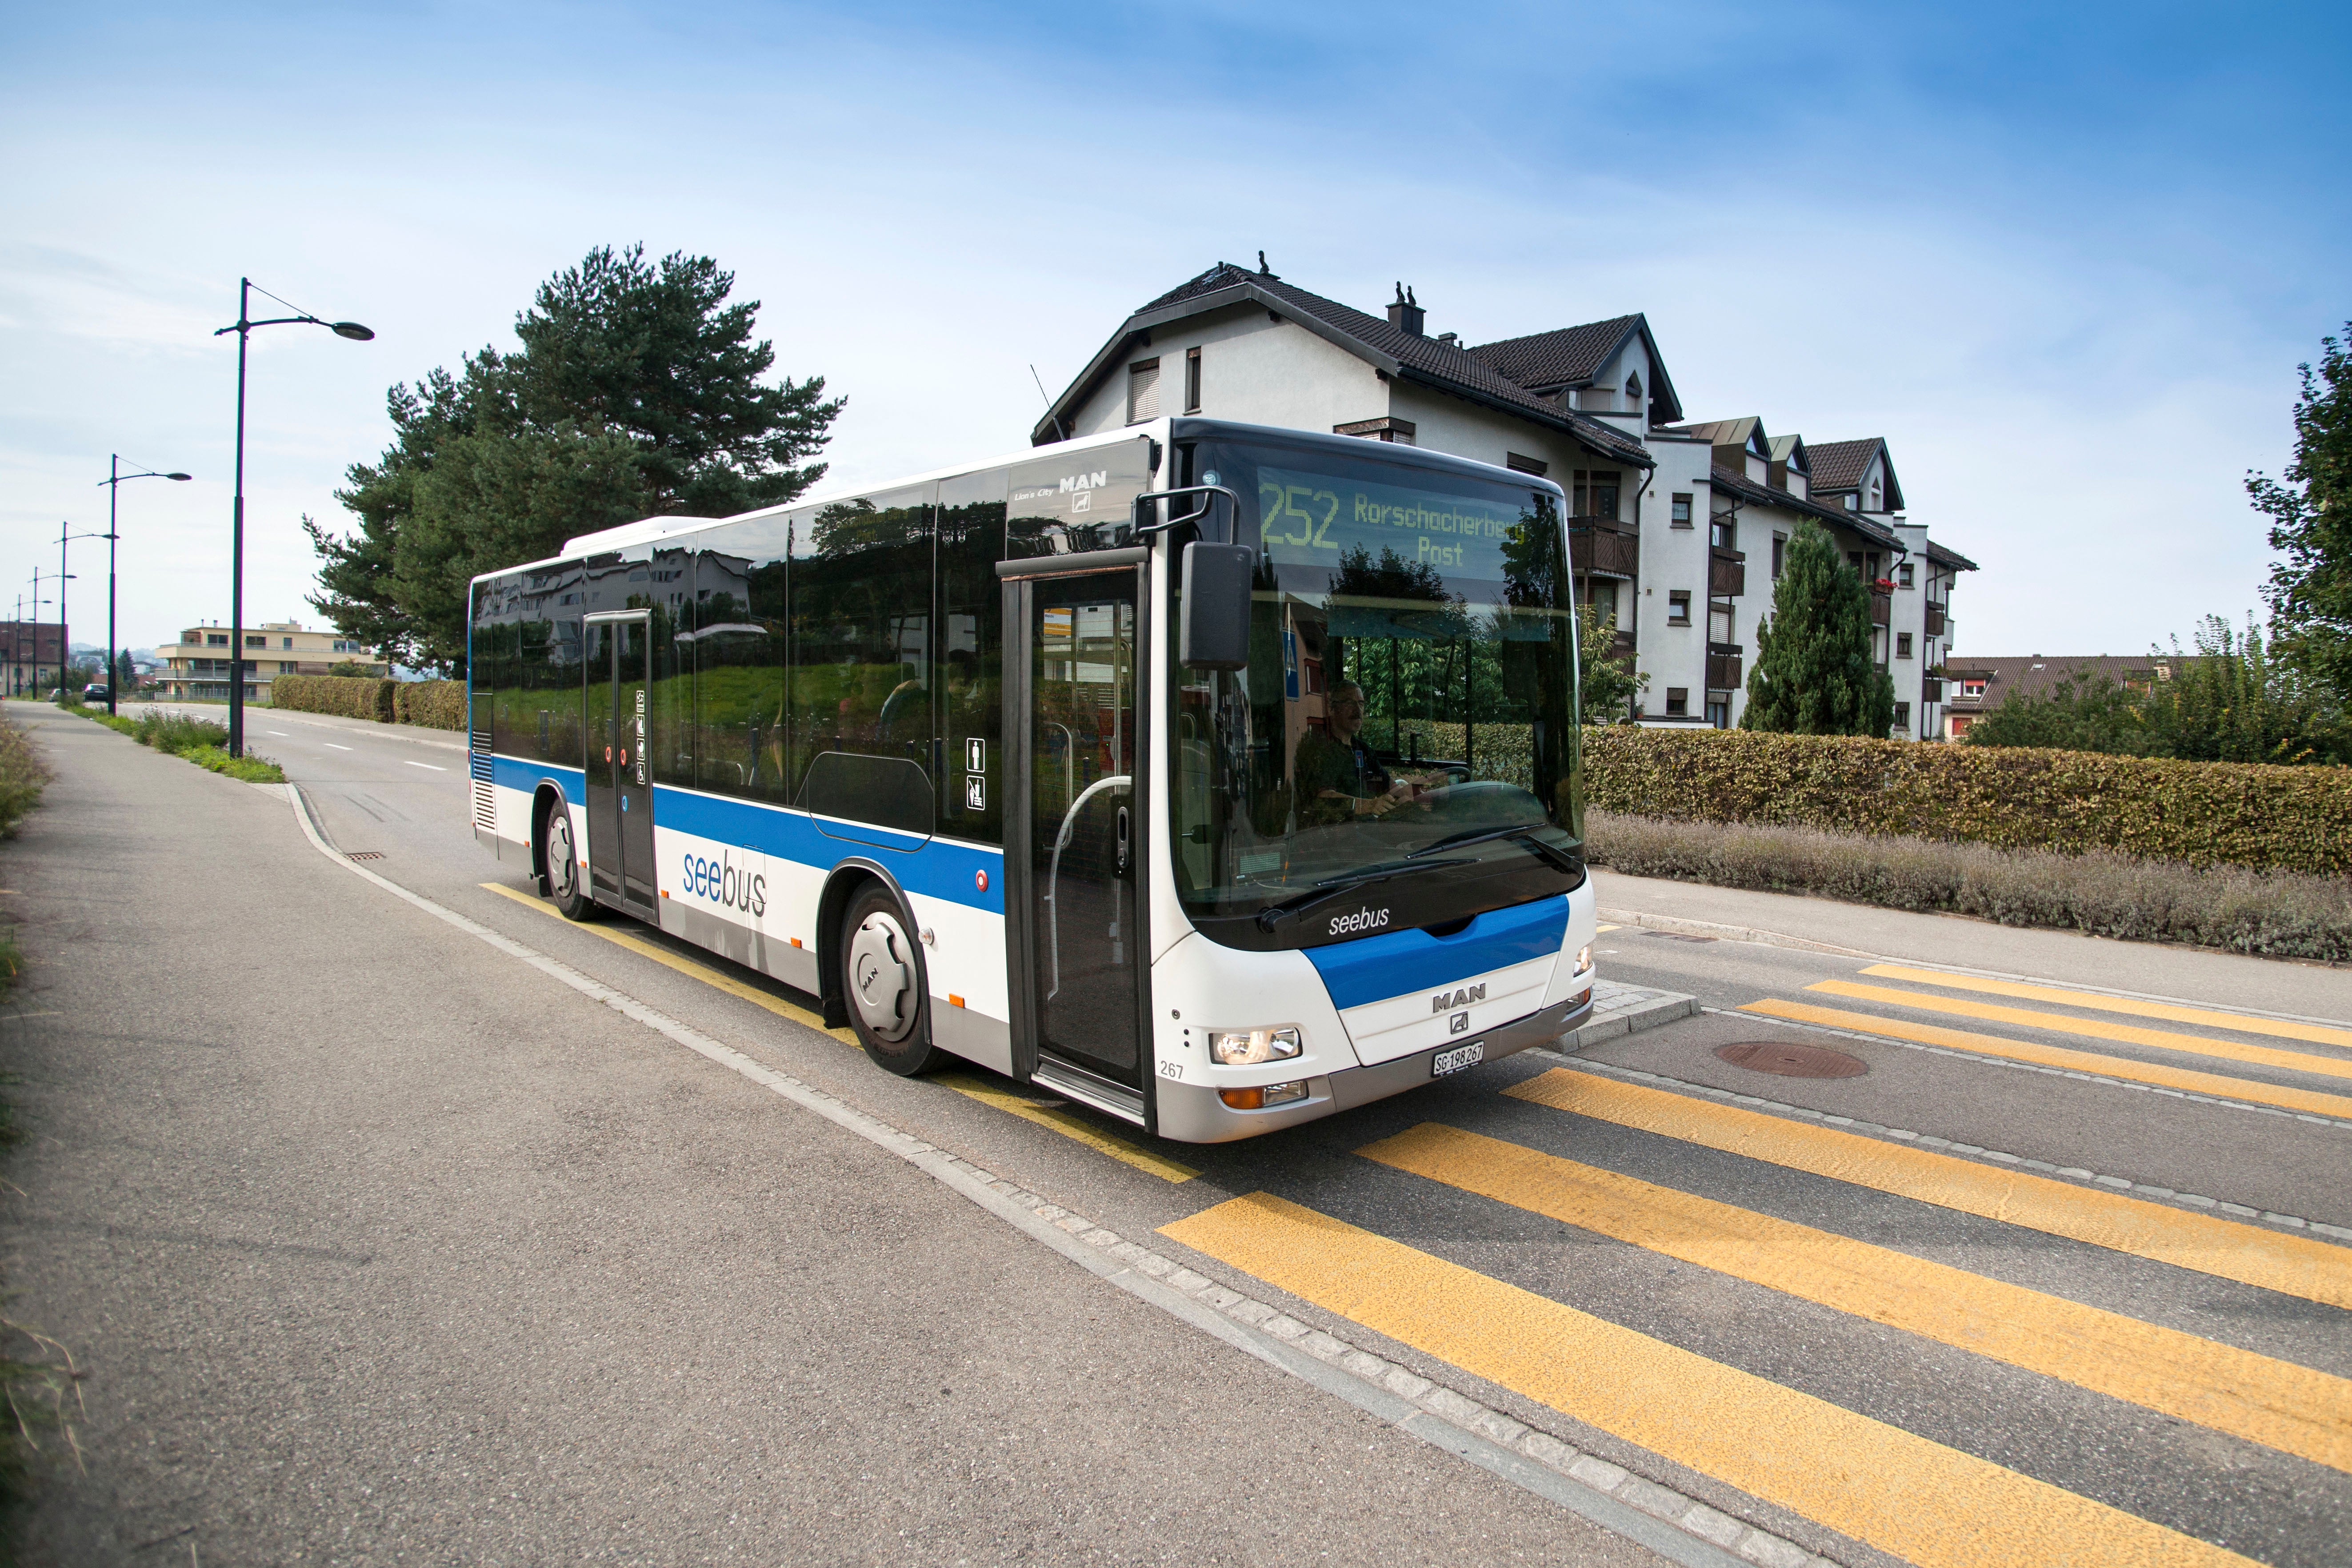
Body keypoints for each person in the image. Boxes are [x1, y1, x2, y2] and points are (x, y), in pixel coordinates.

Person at [1293, 682, 1415, 826]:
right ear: (1332, 708)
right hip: (1333, 833)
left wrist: (1411, 800)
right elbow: (1324, 797)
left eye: (1361, 703)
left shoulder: (1363, 750)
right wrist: (1369, 806)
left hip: (1366, 827)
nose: (1358, 710)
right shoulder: (1320, 750)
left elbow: (1391, 786)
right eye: (1350, 703)